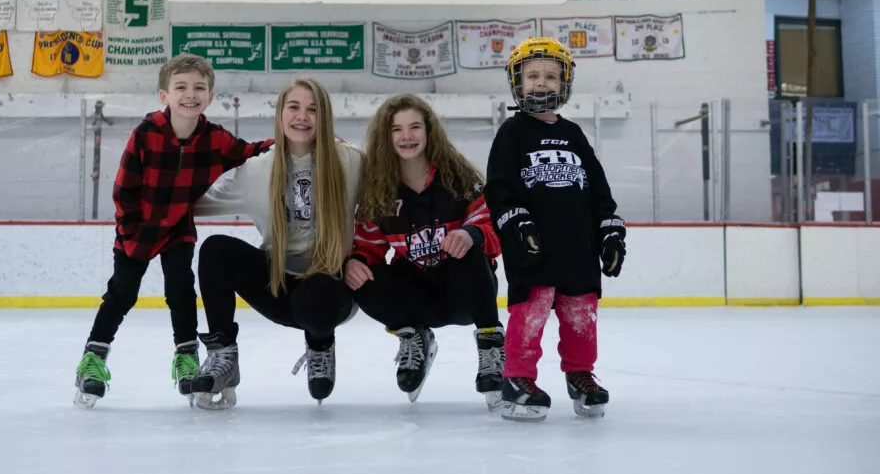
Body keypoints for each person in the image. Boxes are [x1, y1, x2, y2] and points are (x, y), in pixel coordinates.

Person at [73, 54, 271, 409]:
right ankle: (93, 360)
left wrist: (289, 142)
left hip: (178, 228)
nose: (190, 95)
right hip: (139, 230)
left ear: (210, 96)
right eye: (181, 87)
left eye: (199, 88)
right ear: (164, 95)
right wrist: (132, 232)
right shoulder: (146, 134)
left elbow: (249, 152)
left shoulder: (215, 139)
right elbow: (123, 190)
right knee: (122, 293)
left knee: (181, 291)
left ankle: (186, 358)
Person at [192, 77, 363, 409]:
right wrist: (146, 197)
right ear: (281, 113)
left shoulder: (352, 161)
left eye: (313, 109)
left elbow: (388, 201)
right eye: (294, 107)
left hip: (331, 290)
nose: (303, 116)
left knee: (318, 296)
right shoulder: (255, 170)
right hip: (278, 286)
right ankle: (223, 355)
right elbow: (196, 204)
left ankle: (320, 344)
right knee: (215, 250)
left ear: (325, 116)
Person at [485, 37, 626, 421]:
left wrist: (610, 231)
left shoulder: (575, 134)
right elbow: (498, 188)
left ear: (565, 83)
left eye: (550, 75)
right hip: (532, 245)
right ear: (517, 81)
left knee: (582, 314)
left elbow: (598, 189)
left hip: (578, 246)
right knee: (530, 314)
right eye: (532, 75)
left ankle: (580, 374)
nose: (542, 82)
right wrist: (517, 223)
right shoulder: (512, 133)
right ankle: (517, 379)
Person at [344, 94, 504, 408]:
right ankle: (413, 336)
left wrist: (470, 234)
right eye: (397, 129)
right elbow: (368, 246)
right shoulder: (379, 189)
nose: (407, 136)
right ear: (385, 137)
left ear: (429, 132)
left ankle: (490, 344)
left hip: (465, 296)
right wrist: (357, 260)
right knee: (358, 277)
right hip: (419, 298)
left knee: (469, 249)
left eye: (415, 127)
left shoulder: (459, 177)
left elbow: (494, 229)